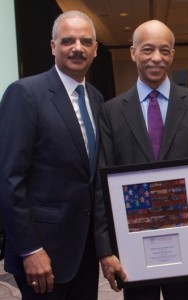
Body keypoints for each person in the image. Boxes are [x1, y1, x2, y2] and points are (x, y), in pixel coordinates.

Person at [96, 20, 188, 300]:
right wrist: (106, 249)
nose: (156, 58)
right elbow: (103, 186)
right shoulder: (111, 112)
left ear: (173, 55)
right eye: (147, 49)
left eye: (164, 51)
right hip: (133, 246)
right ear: (133, 53)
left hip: (187, 241)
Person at [0, 10, 103, 300]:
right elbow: (9, 180)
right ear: (53, 46)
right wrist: (30, 250)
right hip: (41, 253)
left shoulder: (95, 98)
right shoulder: (25, 93)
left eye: (85, 41)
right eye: (68, 40)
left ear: (95, 49)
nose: (77, 48)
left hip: (84, 250)